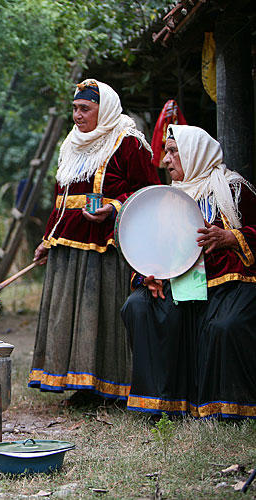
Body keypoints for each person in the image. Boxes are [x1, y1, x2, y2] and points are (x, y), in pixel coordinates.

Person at [29, 79, 160, 405]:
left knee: (100, 314)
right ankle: (80, 387)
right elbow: (62, 196)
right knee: (69, 317)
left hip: (106, 246)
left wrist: (115, 207)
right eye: (74, 108)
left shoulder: (128, 142)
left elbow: (151, 192)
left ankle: (110, 389)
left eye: (84, 108)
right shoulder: (71, 144)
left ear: (106, 109)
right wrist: (47, 239)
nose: (77, 115)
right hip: (68, 245)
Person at [121, 124, 256, 419]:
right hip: (179, 282)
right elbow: (151, 246)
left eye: (173, 152)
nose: (166, 160)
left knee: (225, 326)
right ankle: (160, 404)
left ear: (195, 153)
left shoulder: (232, 188)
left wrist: (231, 237)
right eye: (165, 153)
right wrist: (149, 276)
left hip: (228, 284)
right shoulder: (166, 196)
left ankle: (229, 407)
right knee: (138, 306)